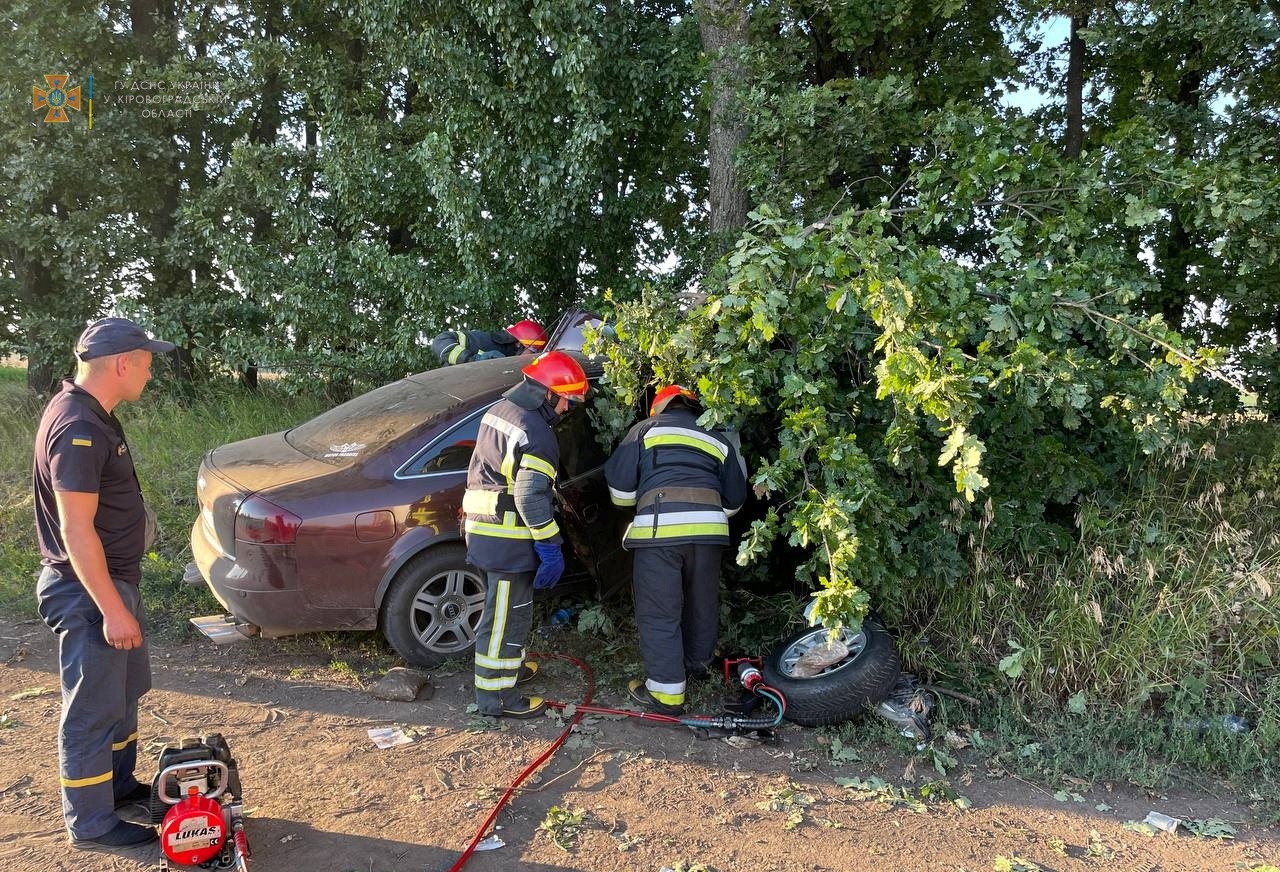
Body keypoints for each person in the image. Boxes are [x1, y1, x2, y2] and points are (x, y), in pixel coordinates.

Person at [32, 317, 174, 848]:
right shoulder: (79, 428)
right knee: (92, 709)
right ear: (122, 364)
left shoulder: (92, 414)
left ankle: (116, 789)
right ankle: (90, 823)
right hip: (90, 591)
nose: (151, 372)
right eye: (147, 362)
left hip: (111, 584)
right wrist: (112, 608)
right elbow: (76, 529)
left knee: (122, 694)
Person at [604, 385, 747, 715]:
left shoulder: (645, 430)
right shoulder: (717, 438)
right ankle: (696, 666)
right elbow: (735, 499)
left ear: (658, 409)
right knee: (702, 603)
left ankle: (666, 696)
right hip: (710, 534)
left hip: (660, 534)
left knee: (659, 611)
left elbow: (620, 492)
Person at [462, 350, 588, 718]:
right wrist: (551, 544)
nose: (566, 410)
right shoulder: (538, 434)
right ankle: (498, 698)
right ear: (548, 393)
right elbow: (530, 495)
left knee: (510, 612)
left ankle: (508, 672)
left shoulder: (499, 411)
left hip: (485, 531)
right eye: (567, 401)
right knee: (503, 619)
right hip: (506, 540)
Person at [430, 319, 547, 366]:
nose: (533, 358)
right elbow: (440, 341)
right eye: (533, 351)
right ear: (519, 343)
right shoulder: (484, 340)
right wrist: (473, 359)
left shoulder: (511, 362)